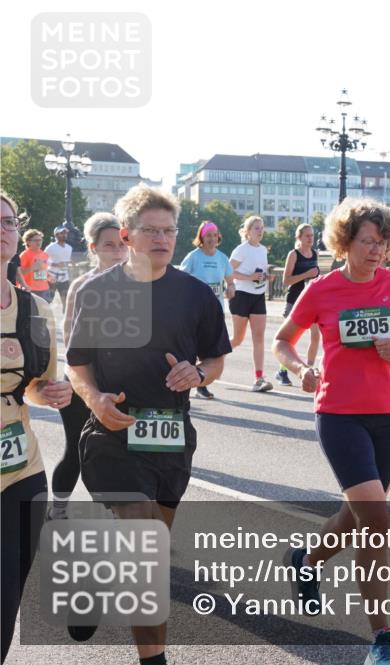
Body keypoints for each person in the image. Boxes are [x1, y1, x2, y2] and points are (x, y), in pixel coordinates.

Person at [66, 185, 230, 660]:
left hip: (171, 438)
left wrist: (199, 373)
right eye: (150, 231)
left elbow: (217, 359)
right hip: (112, 434)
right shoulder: (97, 292)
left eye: (169, 231)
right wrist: (95, 400)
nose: (162, 239)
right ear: (127, 235)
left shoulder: (196, 295)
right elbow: (78, 365)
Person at [274, 198, 390, 665]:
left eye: (383, 243)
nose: (377, 251)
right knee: (375, 520)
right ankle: (382, 639)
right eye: (367, 242)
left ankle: (307, 560)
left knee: (355, 515)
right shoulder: (321, 290)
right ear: (344, 242)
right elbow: (282, 341)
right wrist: (299, 368)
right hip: (339, 415)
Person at [1, 191, 71, 663]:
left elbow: (37, 384)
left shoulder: (34, 309)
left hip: (21, 470)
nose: (2, 230)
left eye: (8, 222)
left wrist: (54, 391)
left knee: (5, 597)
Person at [48, 212, 127, 521]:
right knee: (77, 453)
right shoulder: (83, 285)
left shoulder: (140, 284)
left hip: (121, 385)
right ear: (93, 248)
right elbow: (71, 342)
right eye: (109, 245)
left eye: (121, 244)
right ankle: (58, 509)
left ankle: (119, 515)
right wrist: (87, 385)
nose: (117, 251)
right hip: (82, 384)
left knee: (121, 456)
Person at [180, 221, 235, 398]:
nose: (212, 238)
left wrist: (231, 287)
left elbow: (230, 280)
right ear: (201, 238)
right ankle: (185, 381)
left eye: (214, 235)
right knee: (192, 348)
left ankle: (201, 384)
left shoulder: (222, 258)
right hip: (193, 311)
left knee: (211, 350)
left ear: (218, 237)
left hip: (215, 311)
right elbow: (182, 278)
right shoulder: (193, 257)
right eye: (208, 235)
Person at [229, 215, 273, 392]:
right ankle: (211, 358)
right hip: (241, 296)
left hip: (258, 296)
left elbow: (259, 272)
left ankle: (259, 378)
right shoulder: (241, 249)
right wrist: (248, 278)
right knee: (238, 339)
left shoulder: (263, 250)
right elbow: (228, 271)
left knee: (259, 338)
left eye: (262, 227)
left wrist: (266, 277)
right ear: (247, 232)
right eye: (256, 228)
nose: (260, 230)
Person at [275, 223, 321, 386]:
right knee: (290, 339)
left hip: (312, 301)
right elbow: (286, 280)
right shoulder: (293, 254)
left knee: (316, 336)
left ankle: (310, 369)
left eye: (312, 236)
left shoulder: (315, 254)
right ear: (299, 237)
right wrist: (306, 274)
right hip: (295, 300)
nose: (310, 239)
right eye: (307, 236)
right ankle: (282, 371)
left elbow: (315, 278)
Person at [18, 228, 53, 302]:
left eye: (40, 240)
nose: (39, 242)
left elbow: (44, 271)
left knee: (44, 312)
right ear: (28, 242)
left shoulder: (44, 254)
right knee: (32, 312)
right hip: (30, 290)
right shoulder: (25, 255)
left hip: (44, 289)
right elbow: (18, 272)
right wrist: (32, 268)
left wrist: (49, 276)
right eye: (36, 240)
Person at [44, 224, 74, 309]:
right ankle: (44, 319)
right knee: (47, 300)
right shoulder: (50, 247)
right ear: (56, 235)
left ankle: (66, 320)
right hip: (52, 278)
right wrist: (54, 264)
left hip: (64, 278)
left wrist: (71, 263)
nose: (64, 235)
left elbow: (67, 260)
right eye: (62, 233)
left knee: (67, 301)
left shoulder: (69, 248)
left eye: (65, 233)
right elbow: (42, 260)